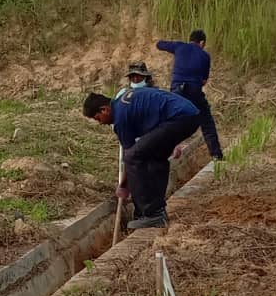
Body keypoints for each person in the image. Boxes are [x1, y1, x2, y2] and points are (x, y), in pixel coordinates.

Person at [83, 87, 200, 228]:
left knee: (134, 156)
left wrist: (124, 185)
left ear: (104, 110)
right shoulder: (124, 103)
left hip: (178, 118)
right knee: (155, 158)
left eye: (98, 119)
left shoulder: (120, 117)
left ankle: (153, 213)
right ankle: (153, 210)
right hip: (190, 115)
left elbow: (129, 156)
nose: (100, 123)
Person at [155, 29, 224, 160]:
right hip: (194, 91)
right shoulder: (205, 56)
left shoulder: (180, 46)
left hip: (176, 91)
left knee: (169, 122)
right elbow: (204, 81)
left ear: (190, 39)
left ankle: (164, 153)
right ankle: (216, 155)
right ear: (202, 42)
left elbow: (159, 44)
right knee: (207, 122)